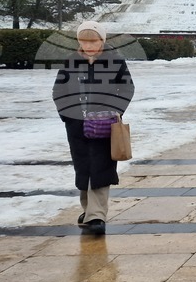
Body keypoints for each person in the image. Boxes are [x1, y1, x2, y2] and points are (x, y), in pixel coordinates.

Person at [52, 21, 135, 236]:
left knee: (101, 167)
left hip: (105, 124)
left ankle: (97, 215)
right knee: (83, 167)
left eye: (93, 41)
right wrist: (68, 117)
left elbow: (126, 88)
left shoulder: (114, 61)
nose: (89, 45)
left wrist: (115, 111)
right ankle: (88, 210)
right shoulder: (71, 61)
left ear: (102, 41)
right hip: (77, 125)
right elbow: (59, 91)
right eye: (84, 41)